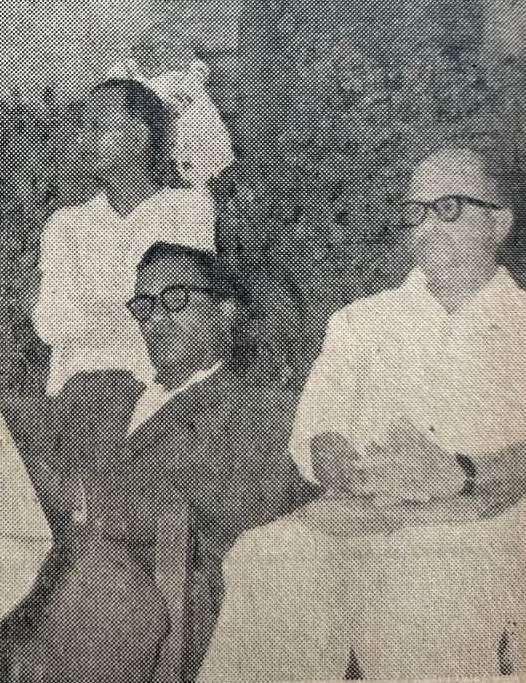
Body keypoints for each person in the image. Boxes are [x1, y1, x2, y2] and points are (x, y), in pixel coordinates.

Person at [199, 148, 526, 681]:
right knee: (268, 554)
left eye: (447, 209)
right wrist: (350, 471)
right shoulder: (361, 322)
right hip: (361, 515)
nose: (426, 227)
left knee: (426, 585)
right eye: (415, 212)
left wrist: (462, 473)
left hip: (486, 525)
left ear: (499, 222)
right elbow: (317, 433)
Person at [0, 243, 308, 683]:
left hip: (148, 584)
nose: (155, 319)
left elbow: (230, 510)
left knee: (93, 586)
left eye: (175, 300)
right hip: (46, 566)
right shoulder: (99, 392)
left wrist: (79, 497)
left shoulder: (258, 409)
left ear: (226, 312)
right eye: (144, 307)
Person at [30, 78, 217, 521]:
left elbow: (185, 310)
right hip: (78, 402)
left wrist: (91, 307)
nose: (83, 139)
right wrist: (134, 306)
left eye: (98, 126)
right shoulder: (66, 224)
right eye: (82, 128)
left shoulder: (188, 208)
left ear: (139, 135)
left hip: (160, 397)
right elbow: (49, 321)